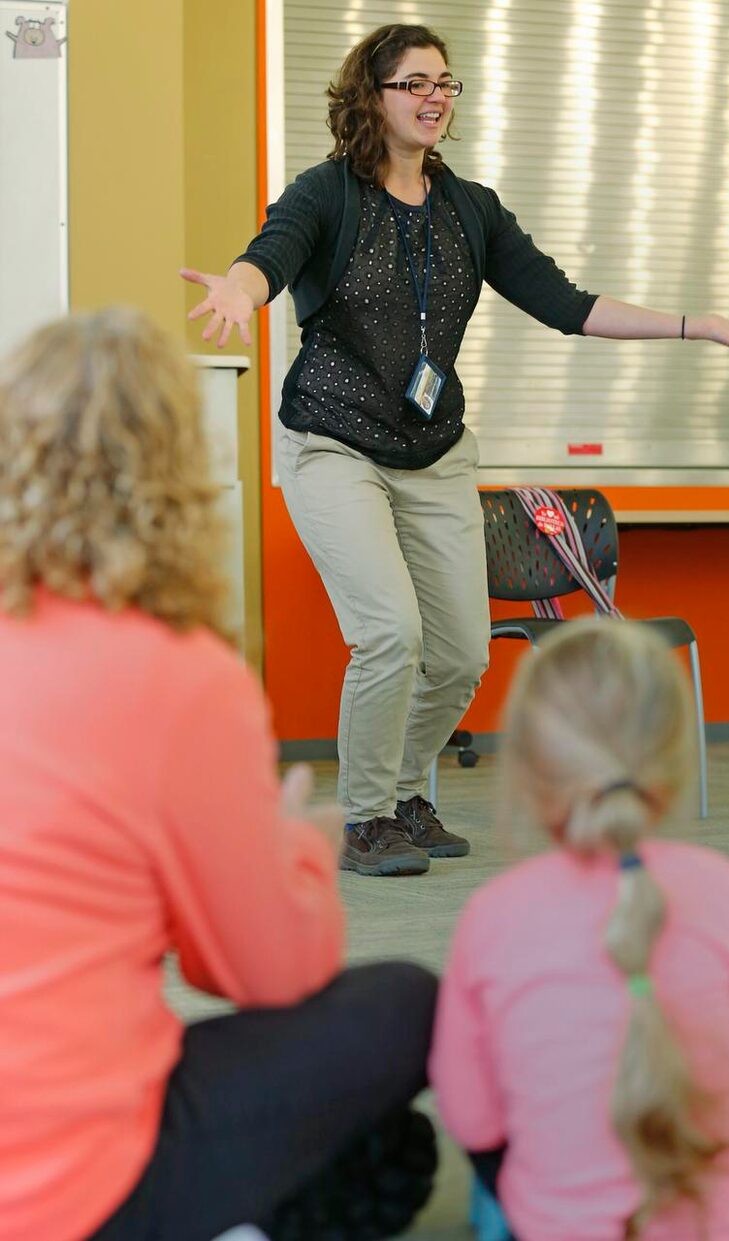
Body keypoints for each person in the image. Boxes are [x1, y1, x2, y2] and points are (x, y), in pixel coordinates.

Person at [181, 23, 729, 878]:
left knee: (459, 649)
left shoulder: (470, 209)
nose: (433, 98)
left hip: (436, 450)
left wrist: (699, 326)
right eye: (415, 82)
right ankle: (368, 816)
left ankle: (408, 793)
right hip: (333, 443)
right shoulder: (327, 195)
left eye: (445, 84)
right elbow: (268, 256)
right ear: (372, 97)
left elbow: (566, 303)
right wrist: (240, 290)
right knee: (389, 632)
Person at [0, 308, 437, 1241]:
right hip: (76, 1185)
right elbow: (260, 970)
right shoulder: (187, 677)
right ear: (176, 468)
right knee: (406, 1001)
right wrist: (297, 852)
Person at [429, 619, 729, 1241]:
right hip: (727, 1225)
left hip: (555, 1226)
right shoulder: (717, 886)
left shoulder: (494, 912)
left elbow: (473, 1121)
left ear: (529, 771)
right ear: (670, 763)